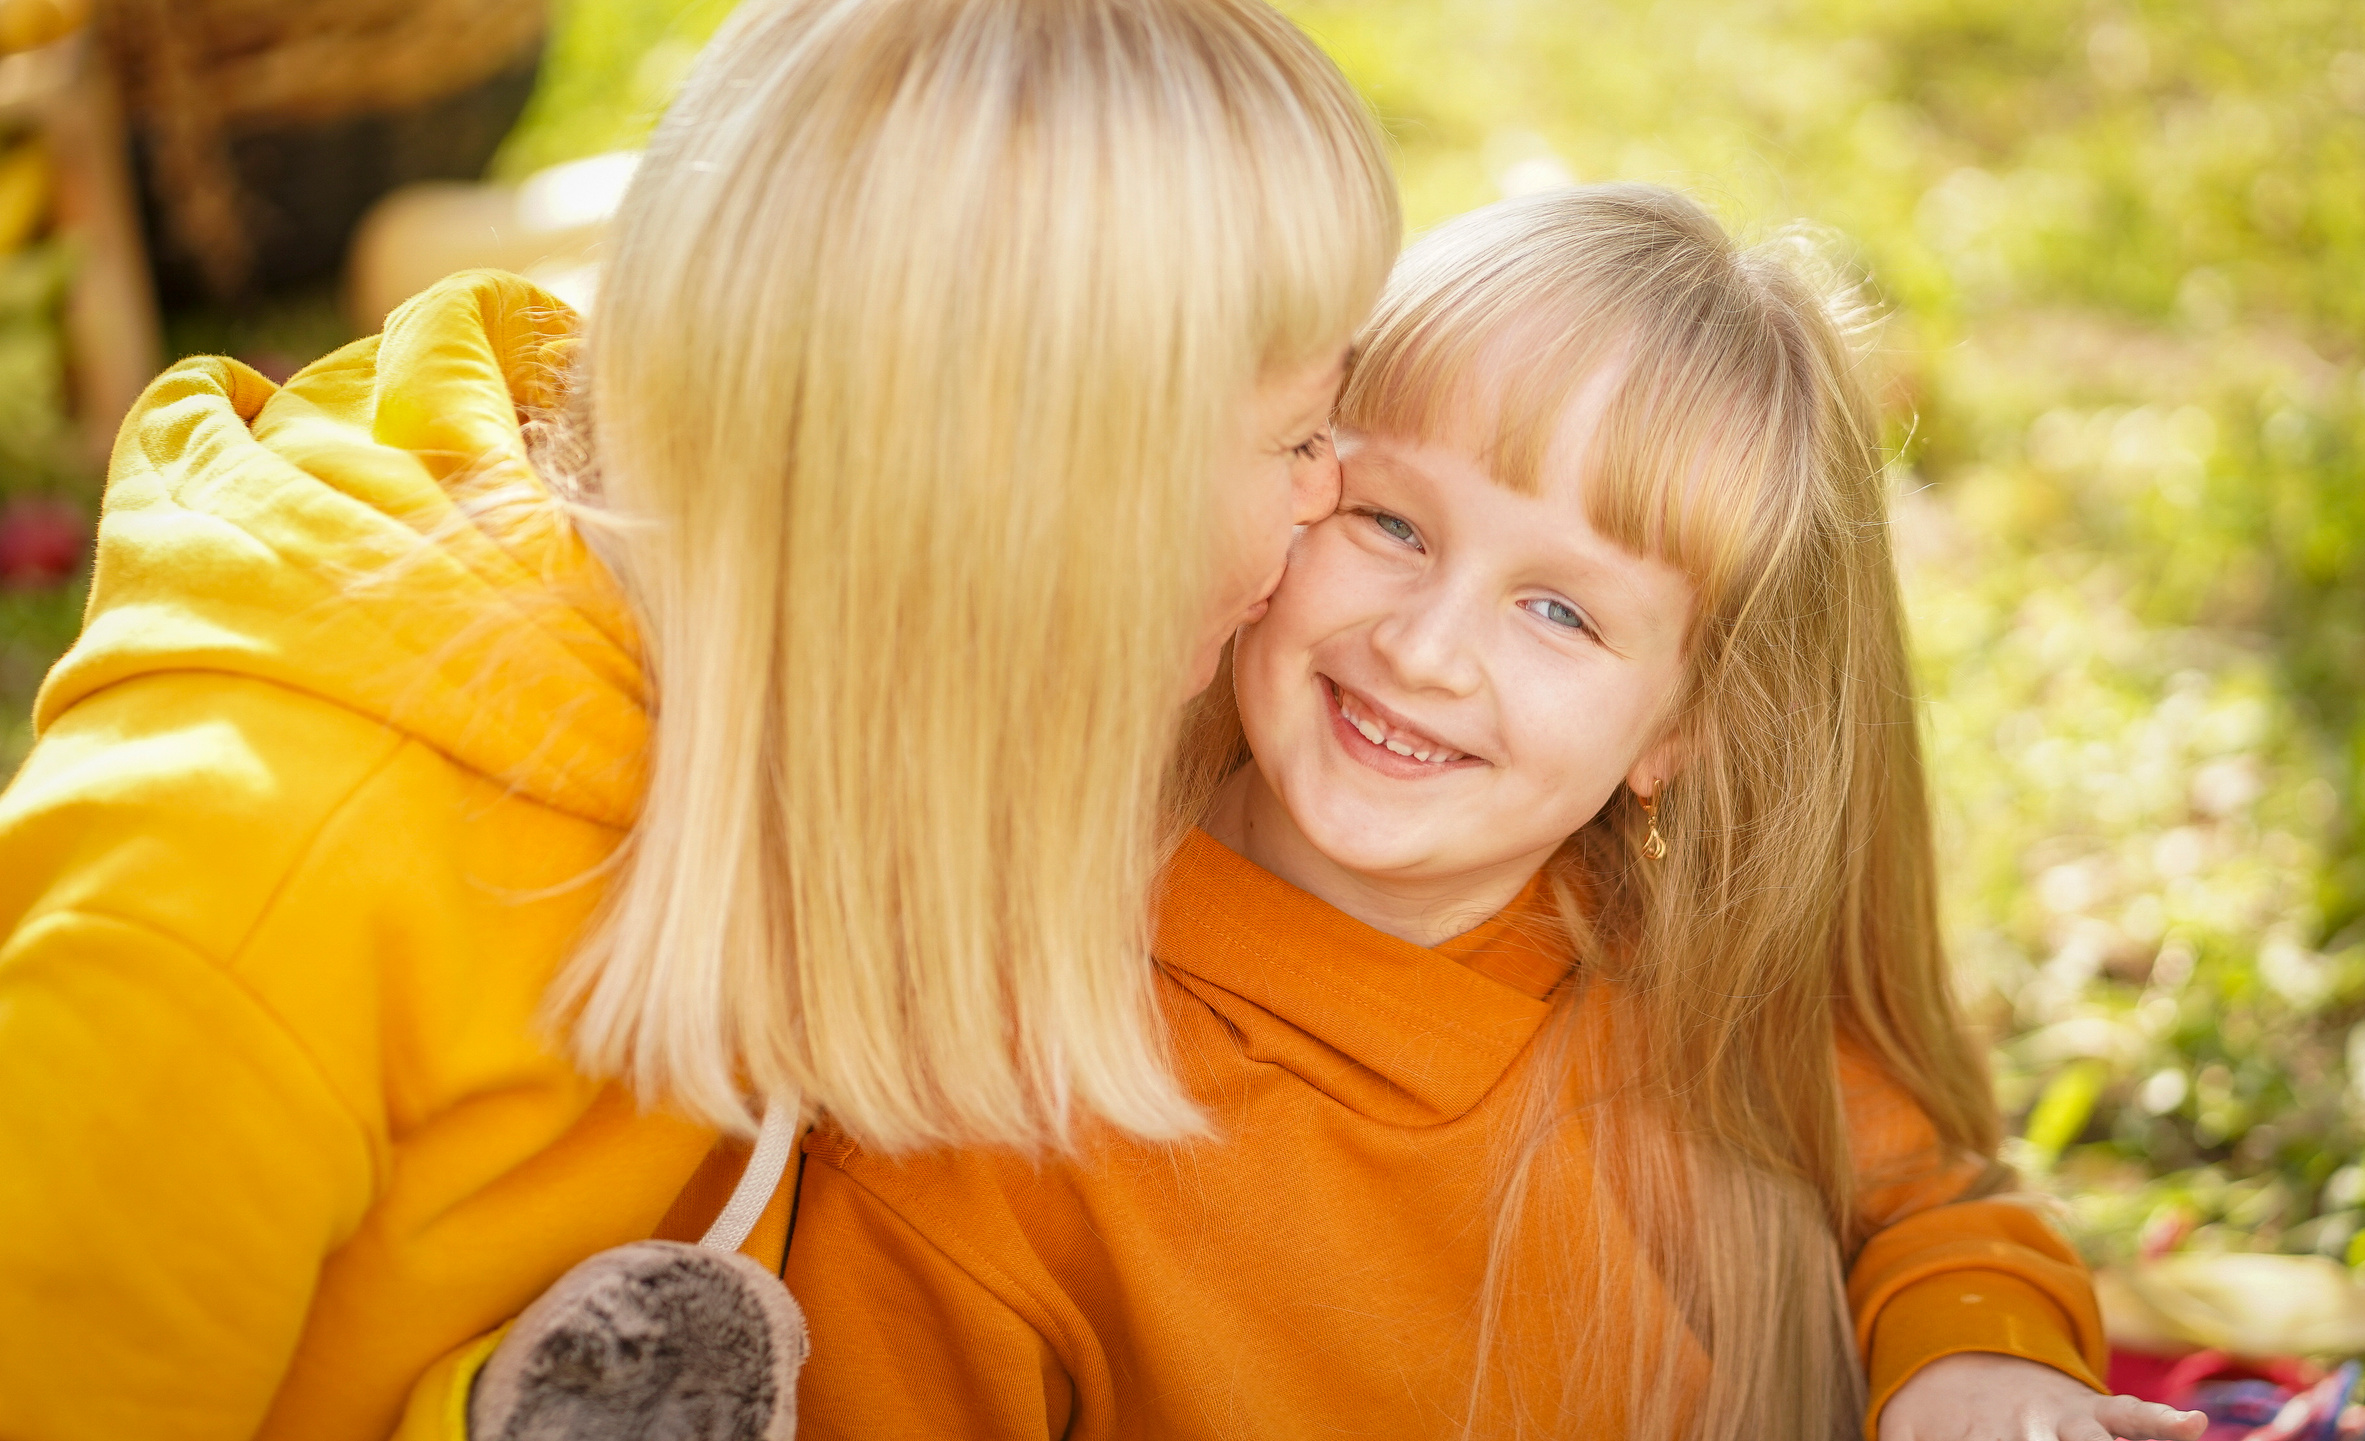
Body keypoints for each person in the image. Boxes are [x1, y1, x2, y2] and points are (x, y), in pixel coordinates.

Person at [0, 1, 1399, 1437]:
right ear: (1031, 519)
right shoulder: (252, 897)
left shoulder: (838, 716)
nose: (1330, 495)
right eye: (1298, 438)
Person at [719, 185, 2216, 1441]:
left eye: (1561, 609)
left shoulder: (1672, 969)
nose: (1427, 650)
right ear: (1291, 485)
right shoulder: (982, 1115)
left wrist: (1975, 1361)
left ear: (1682, 727)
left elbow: (1927, 1200)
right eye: (1393, 523)